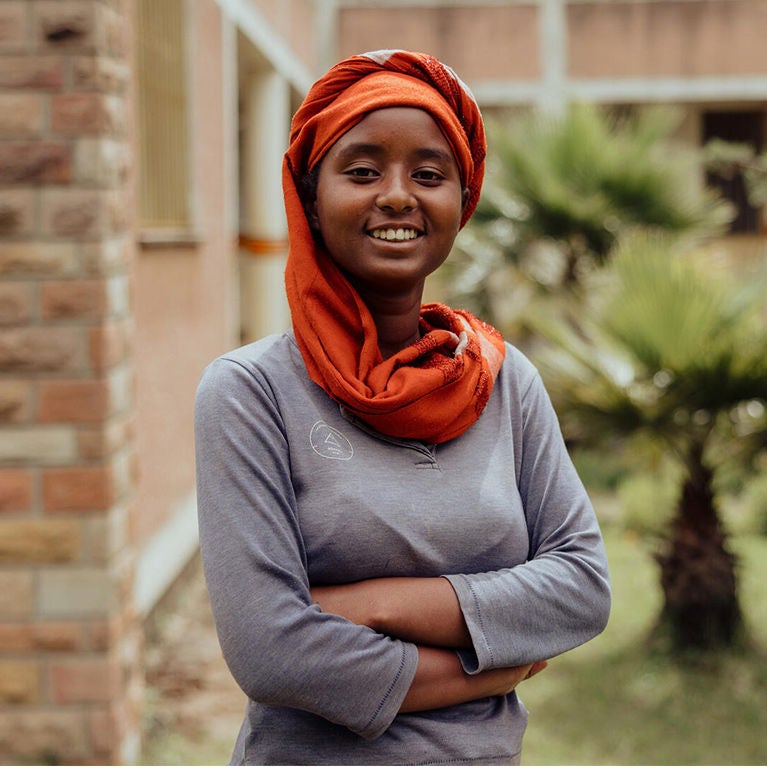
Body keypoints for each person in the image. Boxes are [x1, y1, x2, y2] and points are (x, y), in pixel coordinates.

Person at [195, 49, 611, 766]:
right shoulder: (251, 391)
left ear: (461, 201)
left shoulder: (502, 380)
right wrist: (493, 662)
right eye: (360, 171)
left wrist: (373, 602)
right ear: (311, 199)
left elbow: (580, 586)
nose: (396, 196)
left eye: (428, 174)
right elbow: (271, 652)